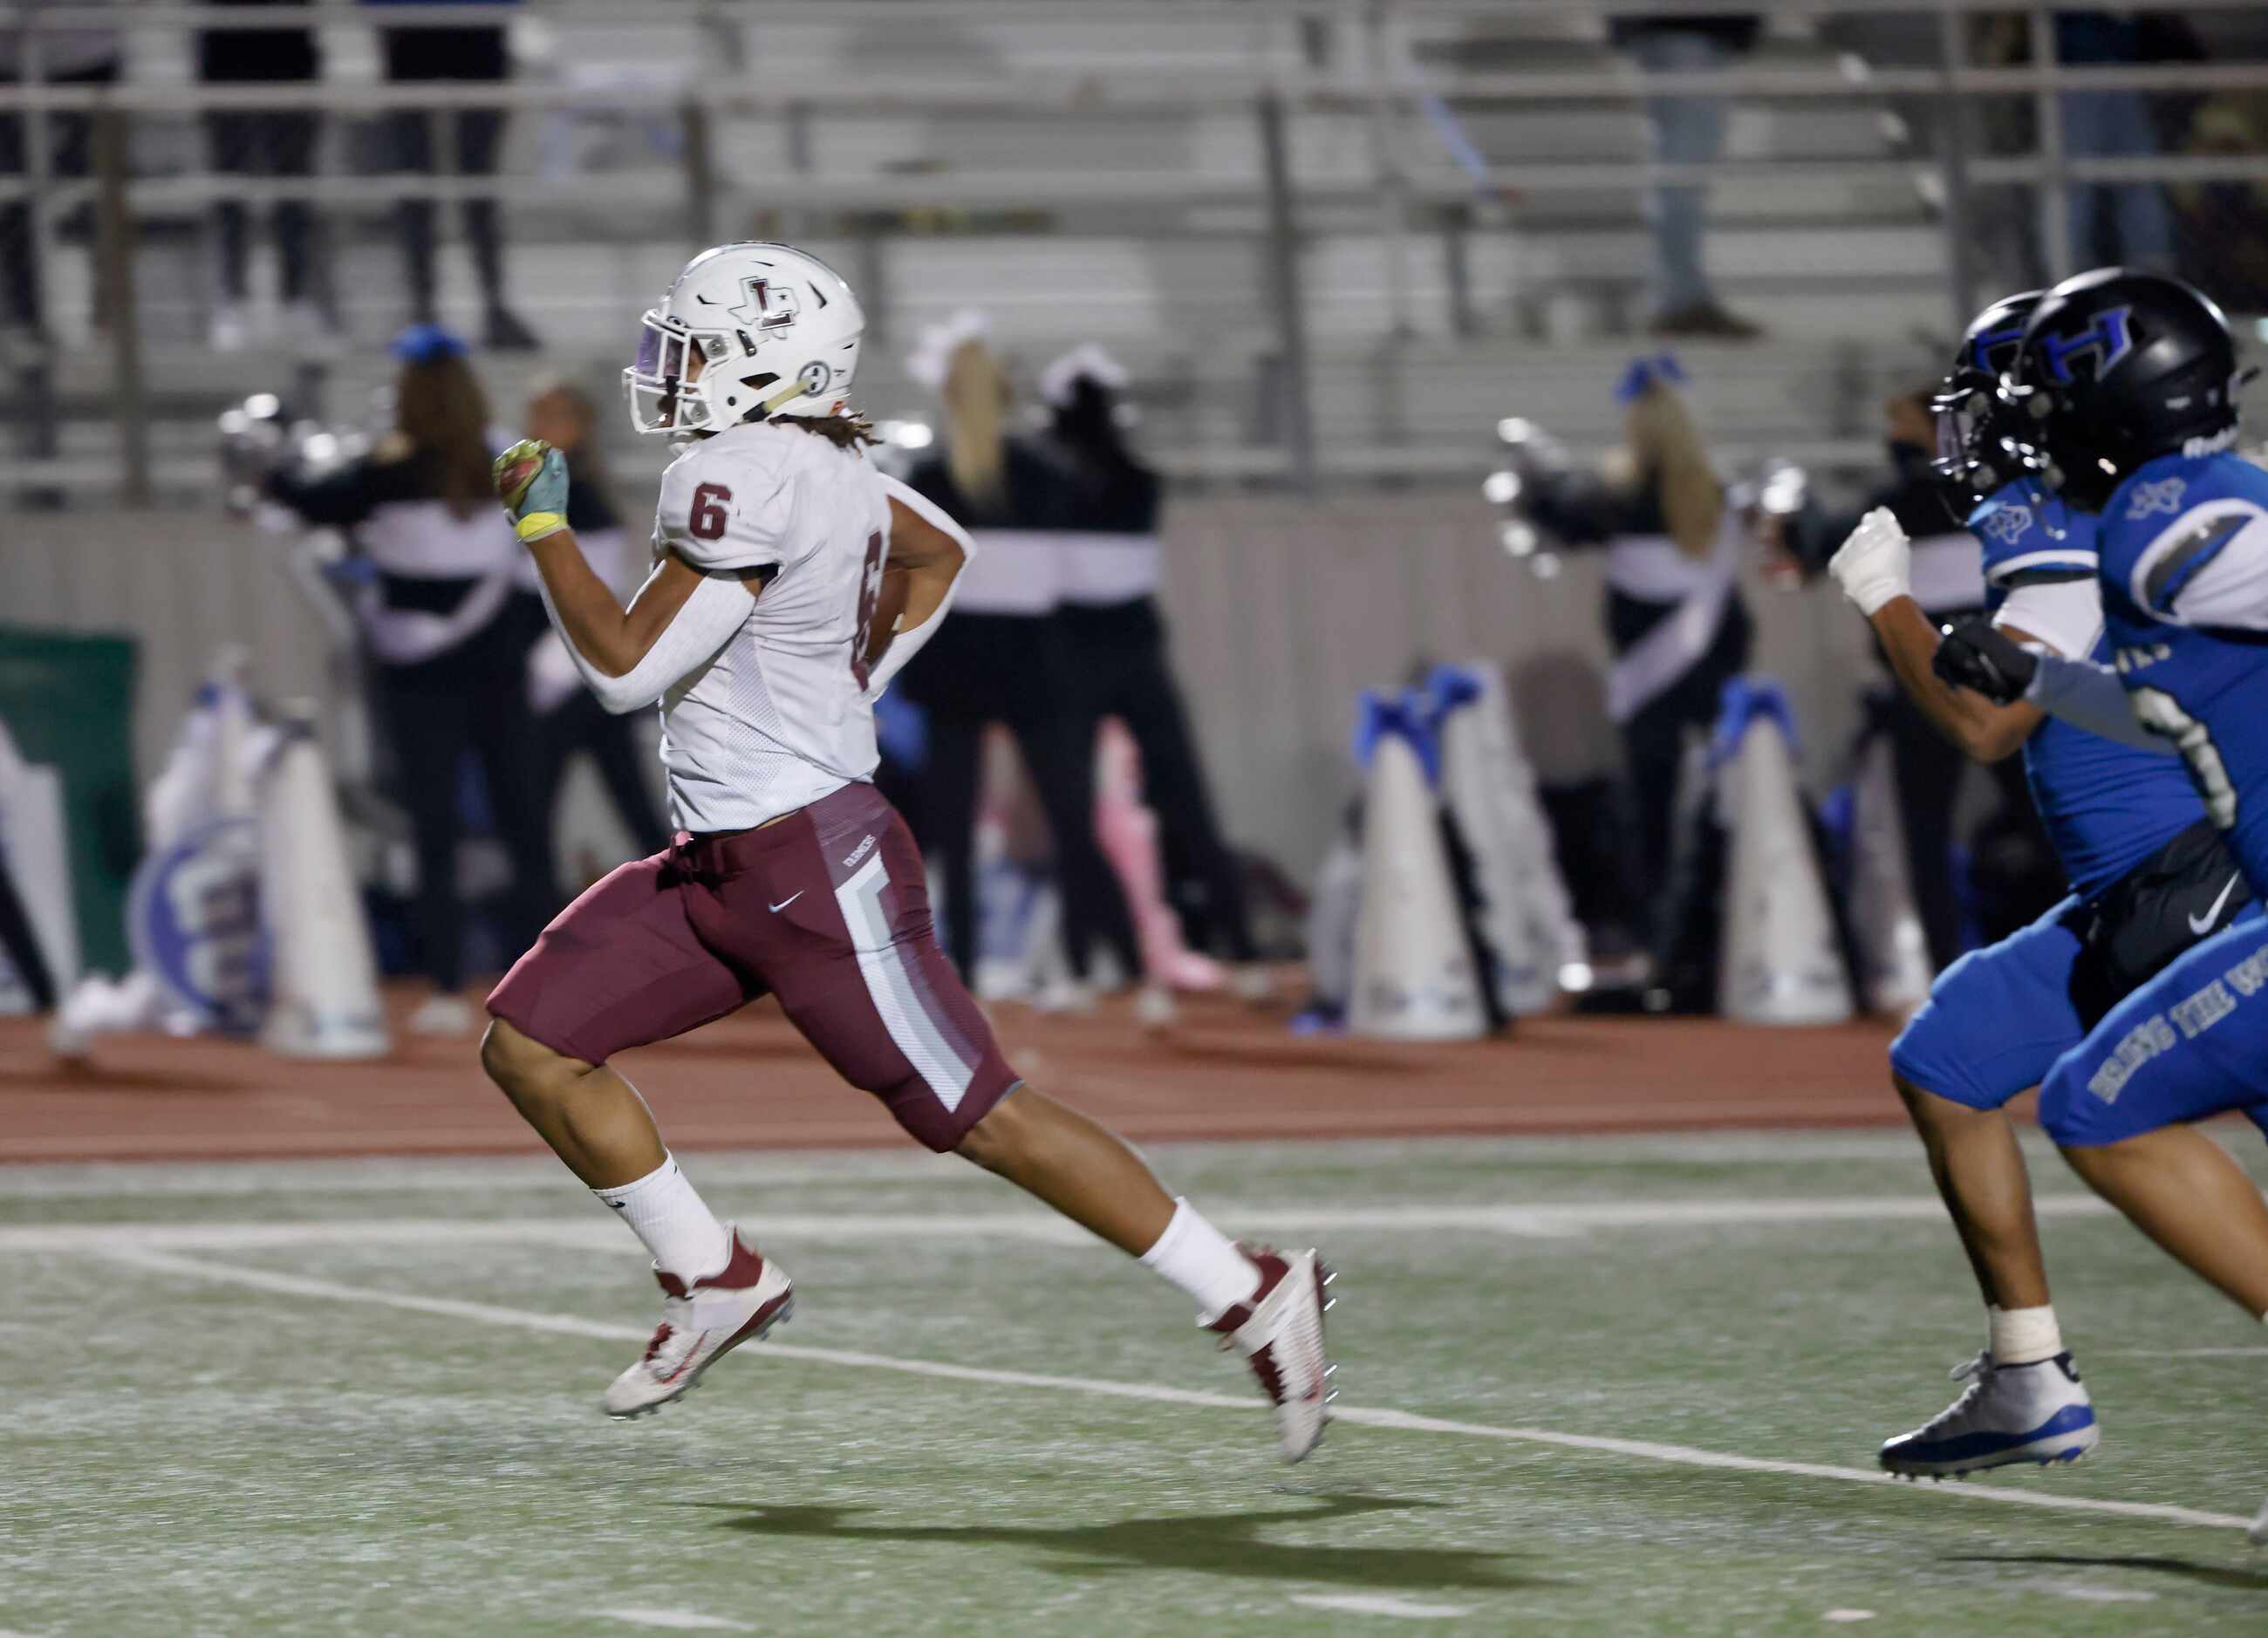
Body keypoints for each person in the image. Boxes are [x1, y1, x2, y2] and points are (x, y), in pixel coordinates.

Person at [475, 242, 1332, 1459]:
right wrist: (856, 676)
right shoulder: (829, 457)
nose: (676, 367)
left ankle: (1251, 1288)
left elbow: (621, 668)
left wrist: (544, 527)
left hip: (810, 862)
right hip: (719, 861)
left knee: (981, 1114)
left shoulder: (739, 471)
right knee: (536, 1043)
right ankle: (714, 1275)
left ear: (765, 362)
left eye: (703, 345)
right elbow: (941, 553)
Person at [1824, 288, 2252, 1478]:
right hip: (2133, 893)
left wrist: (1882, 596)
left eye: (1993, 406)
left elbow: (1986, 722)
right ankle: (2028, 1375)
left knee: (2105, 1113)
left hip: (2195, 885)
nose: (1974, 435)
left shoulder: (2081, 513)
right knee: (1949, 1059)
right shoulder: (2106, 504)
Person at [1934, 267, 2268, 1541]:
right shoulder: (2148, 523)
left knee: (2098, 1101)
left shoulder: (2176, 516)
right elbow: (2159, 706)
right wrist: (2040, 677)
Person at [264, 324, 557, 1035]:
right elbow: (545, 556)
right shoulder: (511, 460)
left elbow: (304, 501)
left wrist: (269, 458)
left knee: (434, 828)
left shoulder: (382, 468)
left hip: (418, 675)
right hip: (498, 665)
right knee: (524, 820)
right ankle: (552, 987)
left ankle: (448, 987)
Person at [893, 323, 1148, 1008]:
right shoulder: (1047, 477)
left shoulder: (926, 479)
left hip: (958, 669)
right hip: (1036, 666)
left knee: (947, 830)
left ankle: (960, 974)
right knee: (1069, 818)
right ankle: (1082, 964)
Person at [1791, 390, 2052, 970]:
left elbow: (1832, 539)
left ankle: (1955, 963)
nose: (1896, 440)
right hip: (1973, 678)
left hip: (1946, 680)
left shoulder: (1913, 500)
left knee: (1954, 829)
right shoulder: (1992, 495)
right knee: (2019, 821)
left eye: (1904, 428)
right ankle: (1975, 959)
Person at [1037, 344, 1263, 986]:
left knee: (1074, 814)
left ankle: (1085, 962)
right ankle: (1240, 948)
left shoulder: (1056, 484)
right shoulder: (1138, 479)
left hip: (1077, 654)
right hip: (1133, 650)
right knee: (1185, 800)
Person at [1526, 357, 1751, 931]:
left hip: (1651, 677)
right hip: (1717, 664)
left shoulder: (1617, 497)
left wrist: (1536, 478)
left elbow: (1558, 516)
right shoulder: (1716, 495)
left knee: (1651, 808)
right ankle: (1729, 918)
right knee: (1726, 797)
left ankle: (1657, 931)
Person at [516, 379, 670, 863]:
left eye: (554, 417)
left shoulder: (580, 498)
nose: (539, 428)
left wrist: (548, 678)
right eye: (536, 415)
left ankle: (689, 910)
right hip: (570, 676)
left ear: (581, 428)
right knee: (537, 813)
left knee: (614, 806)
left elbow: (584, 595)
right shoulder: (542, 492)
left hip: (568, 680)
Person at [363, 0, 537, 349]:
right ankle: (424, 311)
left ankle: (491, 305)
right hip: (409, 32)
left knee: (477, 185)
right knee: (416, 183)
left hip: (477, 30)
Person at [1609, 11, 1764, 339]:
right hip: (1683, 23)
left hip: (1686, 26)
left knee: (1683, 165)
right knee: (1683, 167)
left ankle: (1682, 297)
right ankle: (1681, 301)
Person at [199, 0, 325, 351]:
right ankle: (231, 301)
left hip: (291, 53)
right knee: (229, 191)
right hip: (225, 55)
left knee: (295, 190)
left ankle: (296, 297)